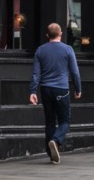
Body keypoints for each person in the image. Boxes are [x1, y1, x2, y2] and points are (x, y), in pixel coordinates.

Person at [29, 22, 81, 164]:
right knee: (64, 121)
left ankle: (51, 155)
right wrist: (78, 89)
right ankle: (56, 140)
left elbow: (35, 74)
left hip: (45, 89)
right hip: (61, 90)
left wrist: (33, 91)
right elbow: (75, 72)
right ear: (61, 34)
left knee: (50, 122)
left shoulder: (40, 50)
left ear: (47, 35)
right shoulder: (68, 49)